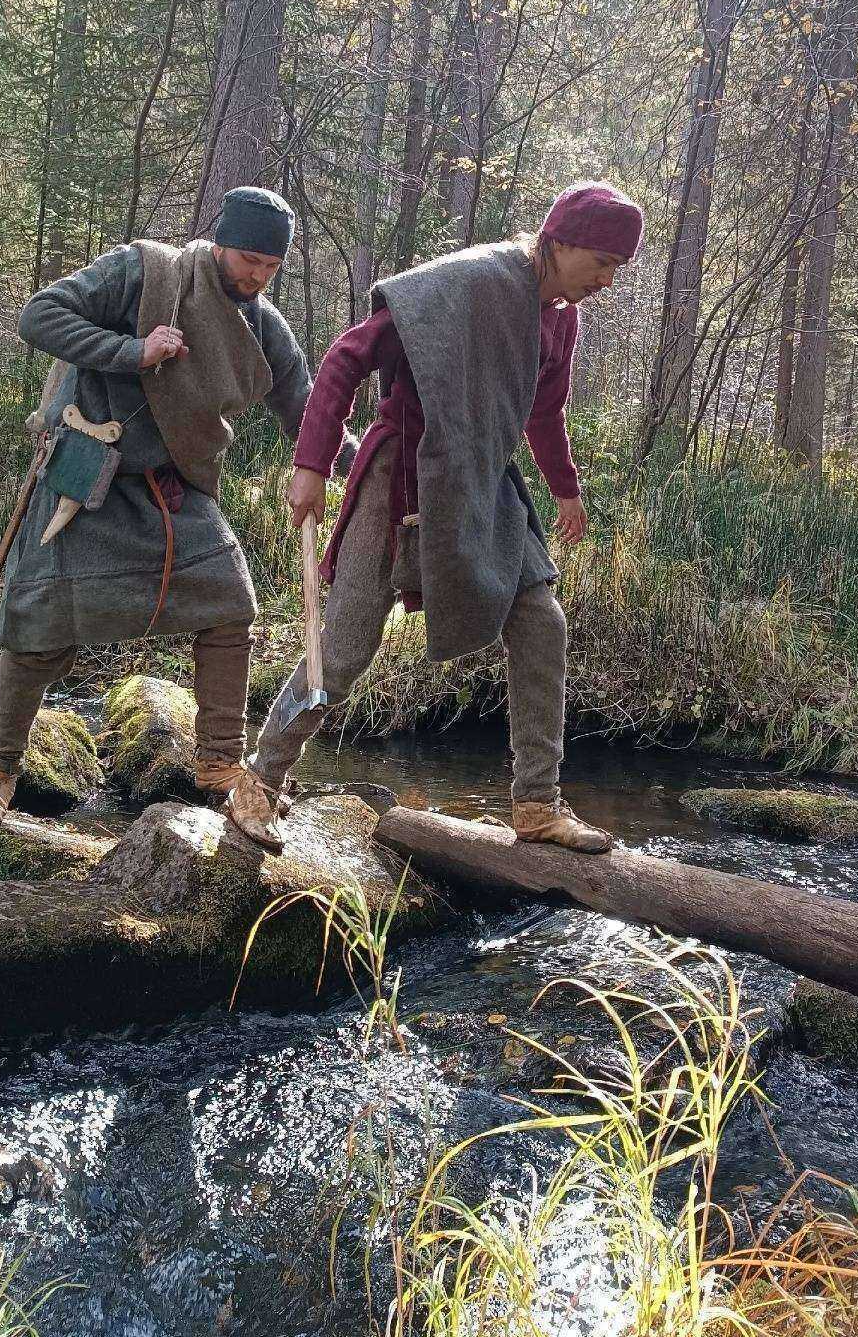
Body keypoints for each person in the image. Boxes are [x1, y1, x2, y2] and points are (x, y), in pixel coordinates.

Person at [248, 180, 643, 851]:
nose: (607, 280)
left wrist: (566, 489)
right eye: (602, 262)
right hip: (400, 476)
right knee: (342, 653)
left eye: (617, 268)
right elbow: (347, 358)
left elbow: (545, 413)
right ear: (560, 241)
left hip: (485, 480)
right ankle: (260, 780)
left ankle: (537, 803)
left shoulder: (561, 319)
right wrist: (312, 464)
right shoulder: (468, 280)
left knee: (542, 621)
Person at [0, 186, 344, 847]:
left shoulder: (263, 328)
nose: (258, 275)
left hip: (173, 487)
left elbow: (305, 412)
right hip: (88, 477)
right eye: (248, 259)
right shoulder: (144, 272)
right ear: (219, 243)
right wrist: (132, 351)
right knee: (39, 627)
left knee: (230, 607)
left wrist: (360, 462)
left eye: (271, 266)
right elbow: (39, 316)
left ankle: (220, 765)